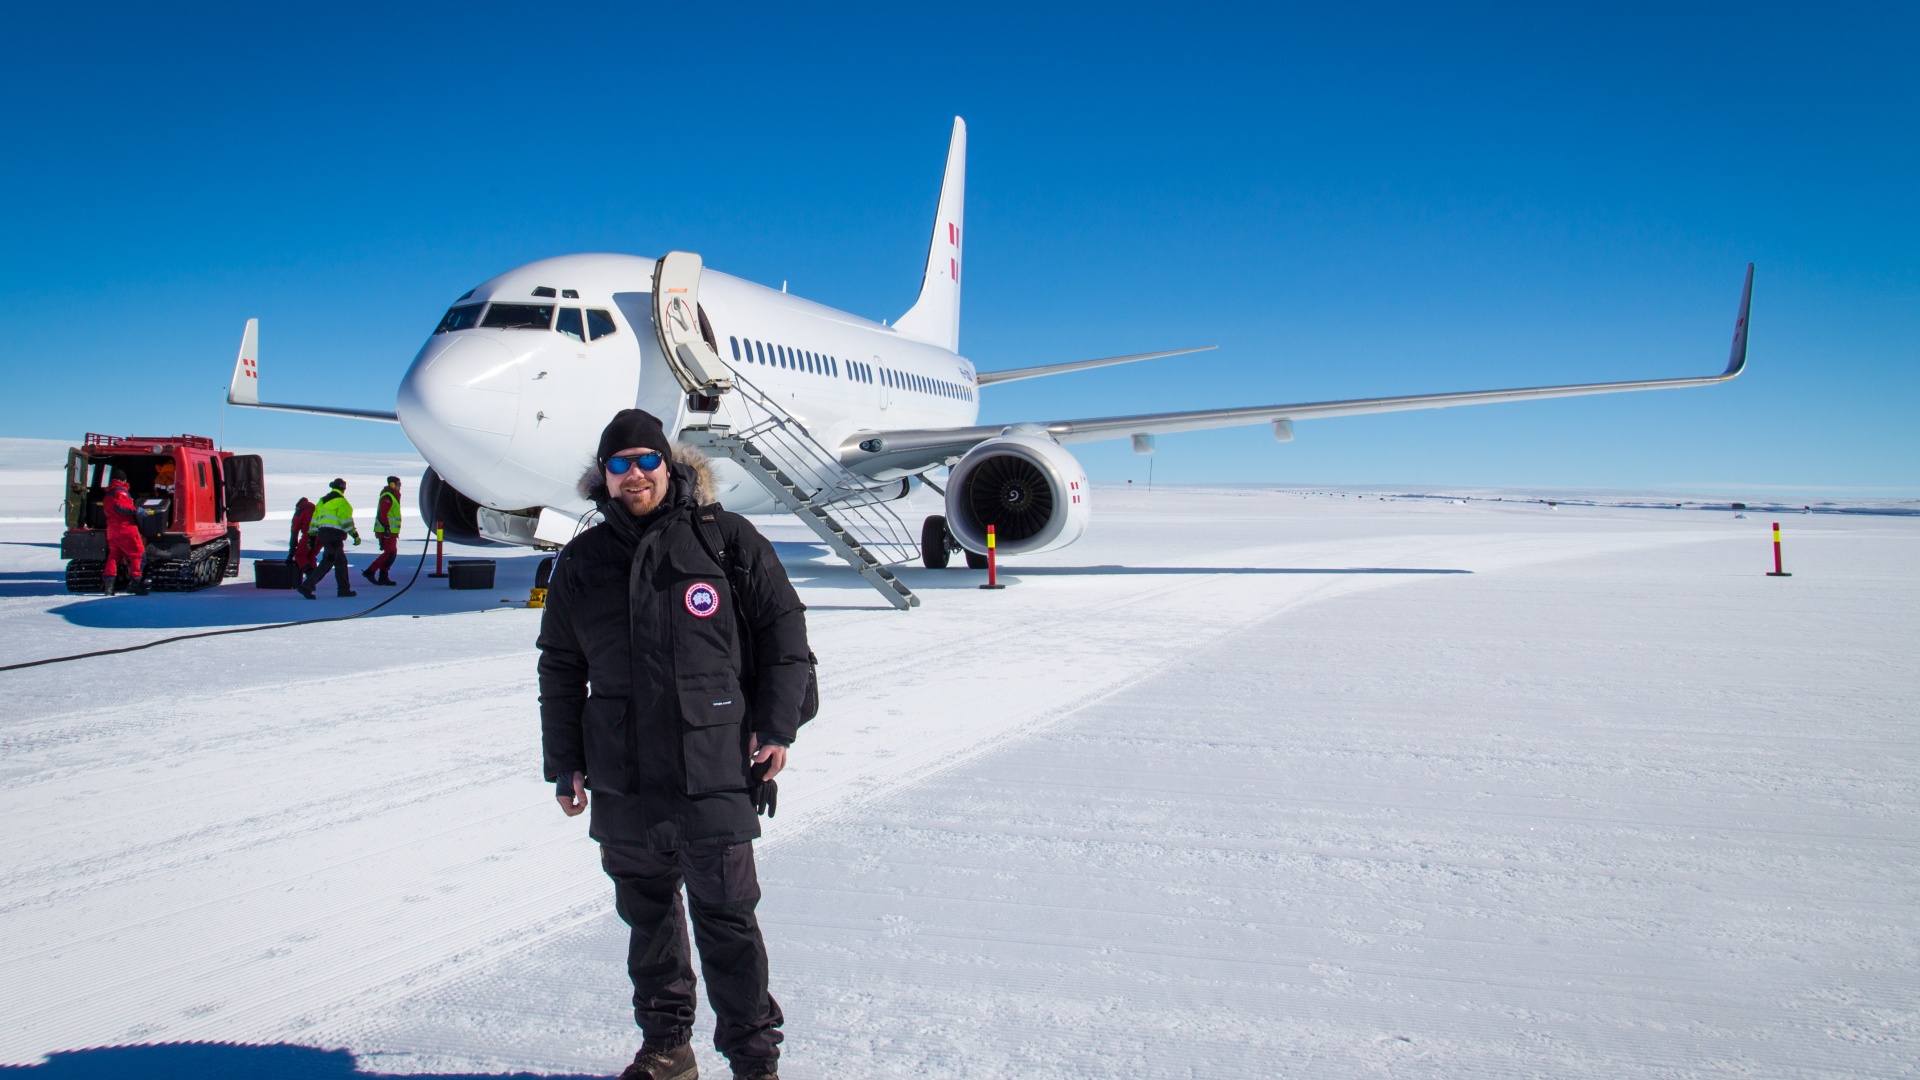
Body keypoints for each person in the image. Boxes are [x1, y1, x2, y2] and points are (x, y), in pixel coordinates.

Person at [538, 409, 811, 1080]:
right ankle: (667, 1049)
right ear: (602, 477)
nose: (635, 475)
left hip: (712, 764)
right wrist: (565, 763)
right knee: (648, 920)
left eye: (646, 460)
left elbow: (785, 636)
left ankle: (754, 1060)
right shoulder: (583, 560)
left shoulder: (725, 540)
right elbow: (561, 668)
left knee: (728, 923)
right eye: (619, 464)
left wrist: (776, 728)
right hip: (623, 773)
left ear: (670, 465)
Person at [300, 478, 360, 599]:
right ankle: (307, 586)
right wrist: (355, 535)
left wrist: (312, 537)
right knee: (328, 562)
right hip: (335, 536)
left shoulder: (322, 501)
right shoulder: (343, 503)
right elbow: (346, 522)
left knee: (341, 562)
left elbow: (315, 520)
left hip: (323, 535)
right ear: (343, 489)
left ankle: (344, 589)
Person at [100, 471, 150, 596]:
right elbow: (120, 507)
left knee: (114, 556)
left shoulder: (108, 493)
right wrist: (137, 510)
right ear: (122, 480)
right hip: (125, 528)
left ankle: (109, 586)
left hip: (112, 530)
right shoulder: (120, 491)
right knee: (138, 555)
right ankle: (135, 584)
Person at [363, 475, 403, 586]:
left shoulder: (393, 496)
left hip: (391, 531)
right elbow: (383, 514)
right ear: (392, 485)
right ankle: (370, 571)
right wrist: (386, 527)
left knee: (392, 554)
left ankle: (383, 576)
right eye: (398, 484)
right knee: (389, 552)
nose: (400, 487)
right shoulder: (387, 497)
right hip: (386, 531)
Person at [288, 496, 317, 573]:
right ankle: (314, 577)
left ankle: (311, 576)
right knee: (310, 555)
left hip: (309, 536)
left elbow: (294, 532)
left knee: (300, 555)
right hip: (321, 536)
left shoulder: (300, 511)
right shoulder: (316, 509)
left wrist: (292, 551)